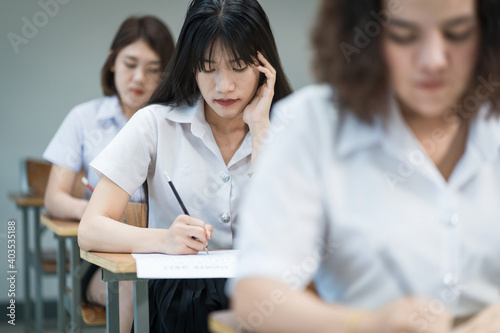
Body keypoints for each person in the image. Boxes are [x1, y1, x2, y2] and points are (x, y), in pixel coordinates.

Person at [230, 0, 500, 332]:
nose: (434, 60)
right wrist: (365, 325)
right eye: (404, 35)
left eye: (458, 34)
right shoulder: (313, 124)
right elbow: (256, 296)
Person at [77, 0, 292, 332]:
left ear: (264, 66)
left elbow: (288, 237)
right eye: (208, 67)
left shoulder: (289, 127)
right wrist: (163, 240)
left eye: (237, 66)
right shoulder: (155, 123)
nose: (223, 86)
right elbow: (90, 229)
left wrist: (262, 131)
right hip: (180, 299)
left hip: (264, 293)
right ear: (191, 66)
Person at [43, 15, 174, 333]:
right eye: (130, 63)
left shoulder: (175, 123)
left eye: (154, 68)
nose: (139, 77)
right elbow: (54, 197)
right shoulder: (84, 120)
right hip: (103, 254)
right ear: (112, 62)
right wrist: (94, 212)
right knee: (130, 284)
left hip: (166, 248)